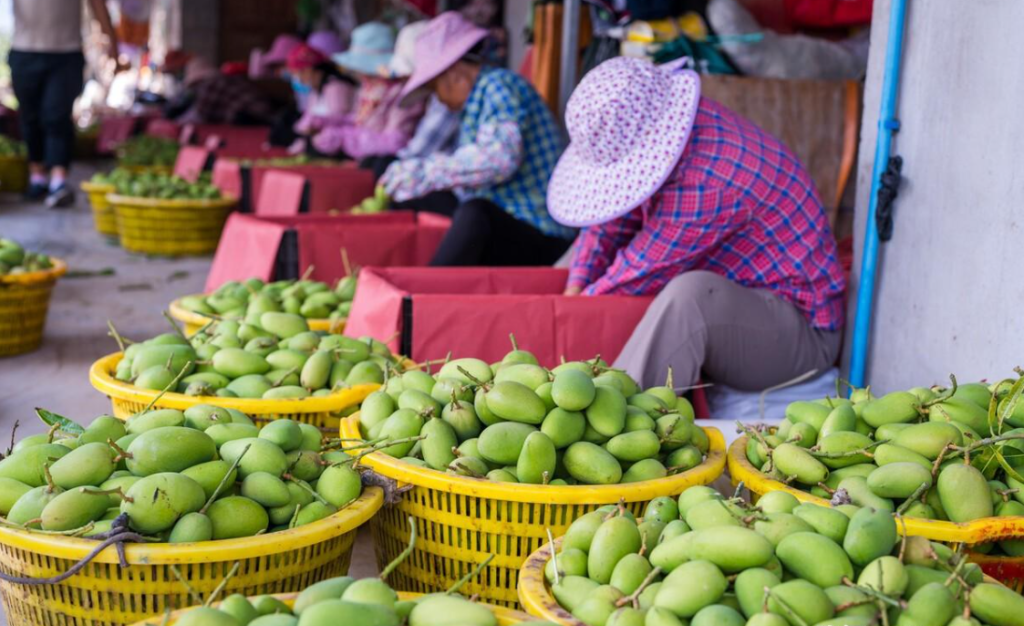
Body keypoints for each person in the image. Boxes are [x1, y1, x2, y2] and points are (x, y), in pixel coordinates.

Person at [546, 57, 846, 390]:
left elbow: (637, 273)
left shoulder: (707, 182)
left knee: (690, 297)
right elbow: (610, 218)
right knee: (584, 263)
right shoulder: (680, 127)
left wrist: (575, 308)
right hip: (746, 298)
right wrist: (575, 288)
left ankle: (624, 420)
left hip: (800, 333)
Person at [380, 12, 575, 267]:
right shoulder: (474, 102)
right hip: (512, 220)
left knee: (476, 213)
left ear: (454, 73)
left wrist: (423, 172)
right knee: (428, 201)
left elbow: (499, 160)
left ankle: (424, 294)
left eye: (435, 87)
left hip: (543, 232)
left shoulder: (498, 86)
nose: (437, 98)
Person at [8, 0, 120, 207]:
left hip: (66, 54)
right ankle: (37, 177)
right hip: (24, 51)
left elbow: (98, 6)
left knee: (56, 116)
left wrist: (113, 44)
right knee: (30, 116)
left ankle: (58, 181)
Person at [315, 22, 424, 161]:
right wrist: (325, 123)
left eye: (368, 72)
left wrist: (346, 139)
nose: (362, 75)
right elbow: (359, 120)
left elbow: (396, 142)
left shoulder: (403, 93)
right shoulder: (368, 89)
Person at [287, 44, 356, 155]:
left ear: (309, 69)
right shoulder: (315, 91)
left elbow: (340, 119)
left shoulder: (337, 87)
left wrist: (316, 126)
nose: (298, 78)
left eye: (299, 72)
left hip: (340, 146)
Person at [177, 58, 276, 126]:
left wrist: (177, 123)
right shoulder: (220, 79)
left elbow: (200, 114)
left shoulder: (211, 85)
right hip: (261, 113)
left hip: (255, 116)